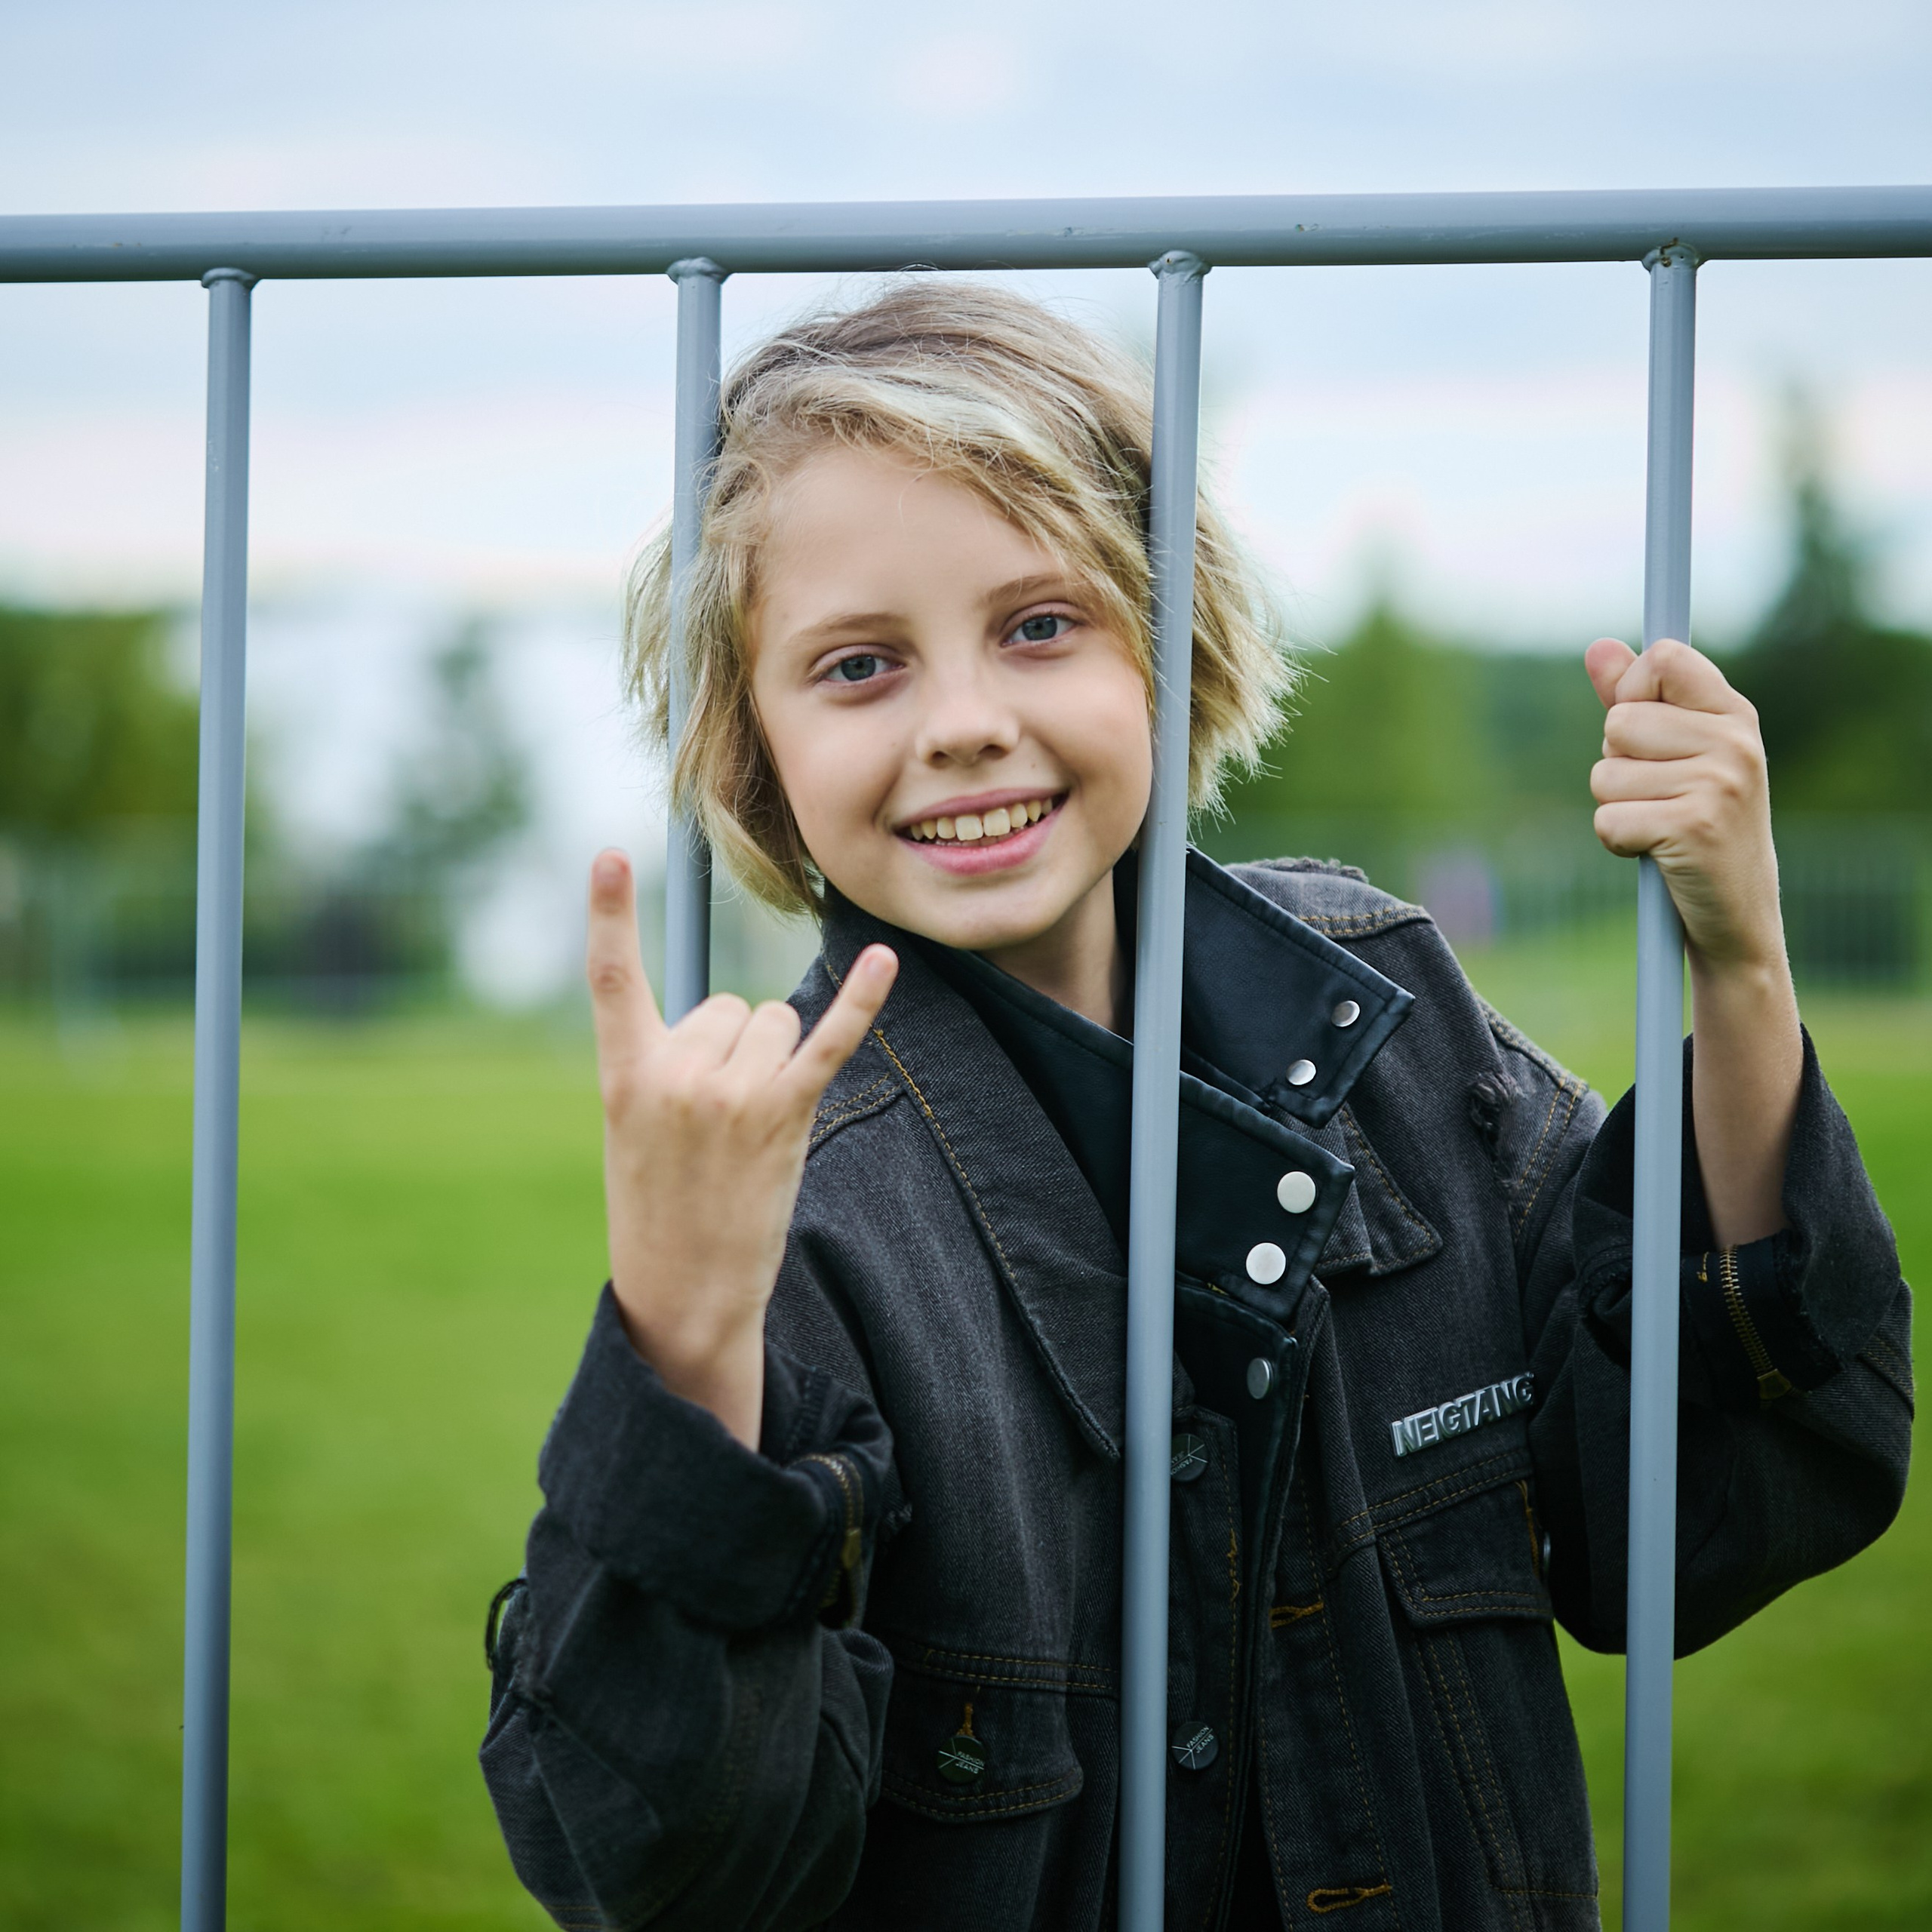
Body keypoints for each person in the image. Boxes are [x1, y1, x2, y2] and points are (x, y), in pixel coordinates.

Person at [479, 283, 1911, 1932]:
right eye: (860, 665)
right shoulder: (790, 1188)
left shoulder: (1392, 1014)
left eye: (1039, 623)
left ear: (1172, 643)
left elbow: (1711, 1507)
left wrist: (1738, 966)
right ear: (755, 746)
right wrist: (683, 1320)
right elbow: (665, 1862)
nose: (962, 723)